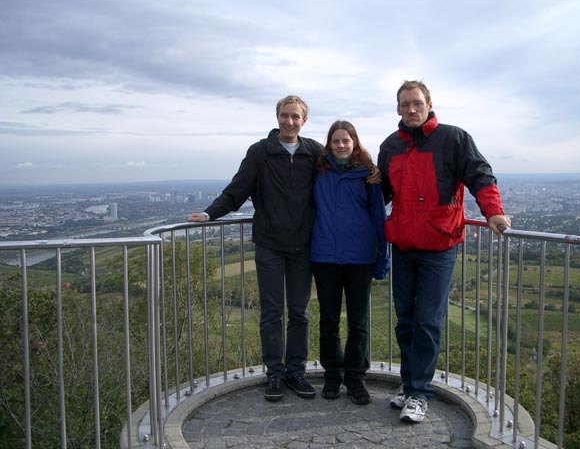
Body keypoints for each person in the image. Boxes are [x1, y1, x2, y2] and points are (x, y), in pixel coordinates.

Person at [377, 80, 510, 423]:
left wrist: (492, 212)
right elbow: (383, 194)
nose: (411, 110)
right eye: (405, 104)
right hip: (404, 245)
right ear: (398, 108)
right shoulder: (390, 146)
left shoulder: (453, 139)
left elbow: (480, 175)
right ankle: (408, 386)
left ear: (429, 103)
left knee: (428, 321)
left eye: (416, 103)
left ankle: (420, 392)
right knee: (405, 320)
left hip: (439, 245)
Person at [188, 95, 322, 402]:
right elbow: (237, 190)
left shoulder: (313, 151)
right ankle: (275, 373)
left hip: (304, 245)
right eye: (285, 115)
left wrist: (372, 176)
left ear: (304, 120)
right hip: (271, 245)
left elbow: (339, 177)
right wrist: (210, 213)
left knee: (300, 312)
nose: (290, 121)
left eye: (296, 117)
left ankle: (296, 372)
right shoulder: (260, 152)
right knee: (272, 312)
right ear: (277, 117)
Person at [310, 121, 389, 405]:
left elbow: (379, 218)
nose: (341, 145)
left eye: (346, 140)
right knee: (328, 321)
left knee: (359, 322)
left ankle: (356, 379)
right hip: (325, 256)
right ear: (328, 144)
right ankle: (332, 376)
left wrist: (382, 258)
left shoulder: (368, 175)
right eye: (336, 141)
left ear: (355, 142)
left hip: (360, 256)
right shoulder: (317, 171)